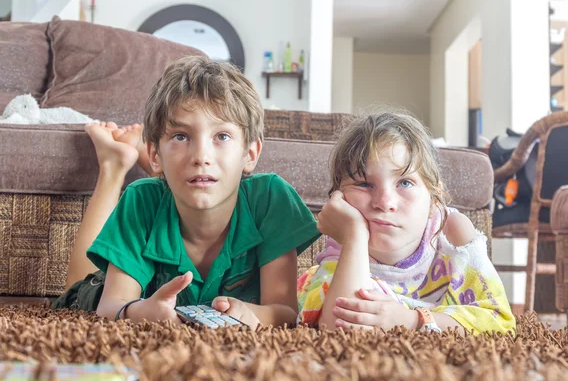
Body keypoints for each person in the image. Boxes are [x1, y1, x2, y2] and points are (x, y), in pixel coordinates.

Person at [54, 56, 320, 329]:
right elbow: (109, 308)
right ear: (154, 154)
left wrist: (252, 314)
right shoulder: (140, 199)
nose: (201, 156)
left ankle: (156, 165)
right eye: (181, 136)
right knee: (80, 289)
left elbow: (285, 312)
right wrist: (141, 312)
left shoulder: (271, 198)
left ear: (250, 154)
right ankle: (113, 165)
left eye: (222, 136)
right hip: (116, 292)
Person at [296, 111, 515, 334]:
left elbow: (500, 323)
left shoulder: (453, 237)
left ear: (433, 198)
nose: (384, 202)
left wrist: (413, 320)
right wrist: (355, 236)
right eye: (363, 184)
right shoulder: (343, 247)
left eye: (405, 182)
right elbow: (336, 332)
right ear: (338, 199)